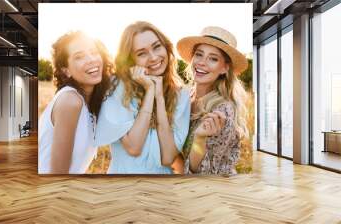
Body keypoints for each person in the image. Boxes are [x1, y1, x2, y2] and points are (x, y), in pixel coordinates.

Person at [95, 21, 190, 174]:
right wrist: (150, 91)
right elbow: (134, 147)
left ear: (166, 47)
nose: (153, 57)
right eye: (141, 53)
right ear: (131, 60)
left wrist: (159, 98)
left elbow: (167, 158)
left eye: (157, 46)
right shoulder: (117, 87)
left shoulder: (182, 95)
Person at [177, 26, 249, 175]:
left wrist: (199, 139)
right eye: (199, 54)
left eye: (213, 59)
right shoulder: (185, 97)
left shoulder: (222, 112)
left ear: (224, 68)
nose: (202, 63)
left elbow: (204, 172)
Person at [39, 31, 113, 174]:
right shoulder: (71, 101)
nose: (91, 59)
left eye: (93, 52)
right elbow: (58, 175)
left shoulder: (88, 103)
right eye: (79, 57)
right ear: (66, 70)